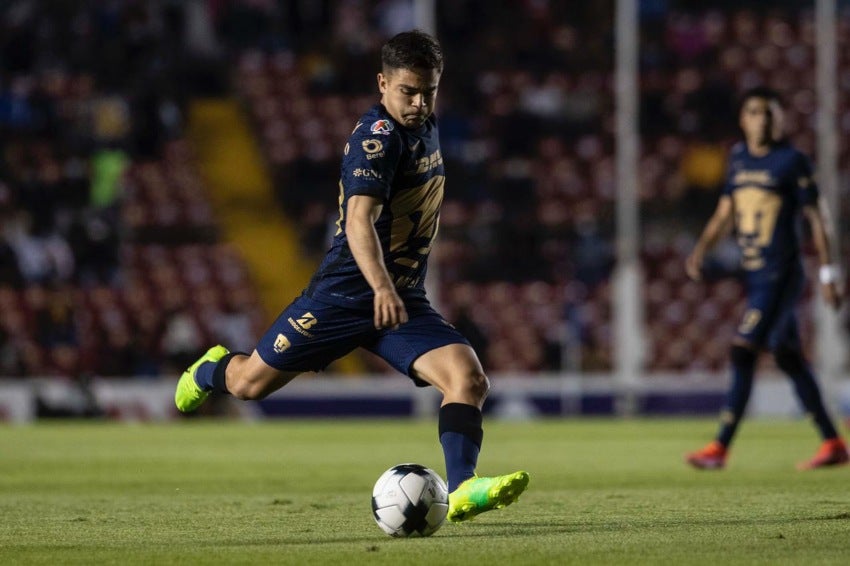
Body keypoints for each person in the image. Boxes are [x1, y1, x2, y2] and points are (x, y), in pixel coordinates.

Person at [175, 30, 529, 520]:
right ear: (382, 83)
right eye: (408, 91)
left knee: (468, 379)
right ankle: (211, 369)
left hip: (400, 298)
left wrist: (395, 287)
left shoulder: (424, 125)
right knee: (248, 385)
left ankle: (463, 486)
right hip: (344, 295)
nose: (419, 102)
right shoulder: (376, 139)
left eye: (429, 91)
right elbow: (359, 220)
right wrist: (380, 286)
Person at [684, 86, 848, 470]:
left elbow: (817, 219)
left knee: (743, 349)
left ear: (781, 118)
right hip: (753, 273)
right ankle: (834, 442)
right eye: (756, 111)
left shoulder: (793, 161)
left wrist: (829, 272)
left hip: (782, 272)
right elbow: (726, 211)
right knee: (789, 357)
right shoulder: (738, 159)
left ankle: (719, 447)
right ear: (743, 119)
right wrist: (702, 248)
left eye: (771, 112)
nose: (764, 119)